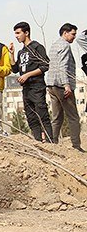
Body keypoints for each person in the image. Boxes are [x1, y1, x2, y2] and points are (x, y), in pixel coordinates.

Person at [9, 22, 52, 142]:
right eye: (15, 34)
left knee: (42, 114)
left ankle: (50, 141)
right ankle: (38, 140)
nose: (16, 36)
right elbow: (15, 69)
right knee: (31, 117)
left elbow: (45, 65)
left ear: (26, 33)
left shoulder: (37, 47)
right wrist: (12, 54)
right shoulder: (21, 52)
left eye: (18, 33)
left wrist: (28, 75)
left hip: (37, 86)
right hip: (26, 89)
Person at [46, 23, 83, 151]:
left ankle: (53, 143)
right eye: (73, 34)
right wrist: (66, 85)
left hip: (51, 85)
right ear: (65, 33)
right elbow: (63, 66)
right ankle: (76, 146)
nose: (74, 37)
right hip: (62, 86)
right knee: (73, 117)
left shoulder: (54, 45)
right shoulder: (65, 46)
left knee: (56, 117)